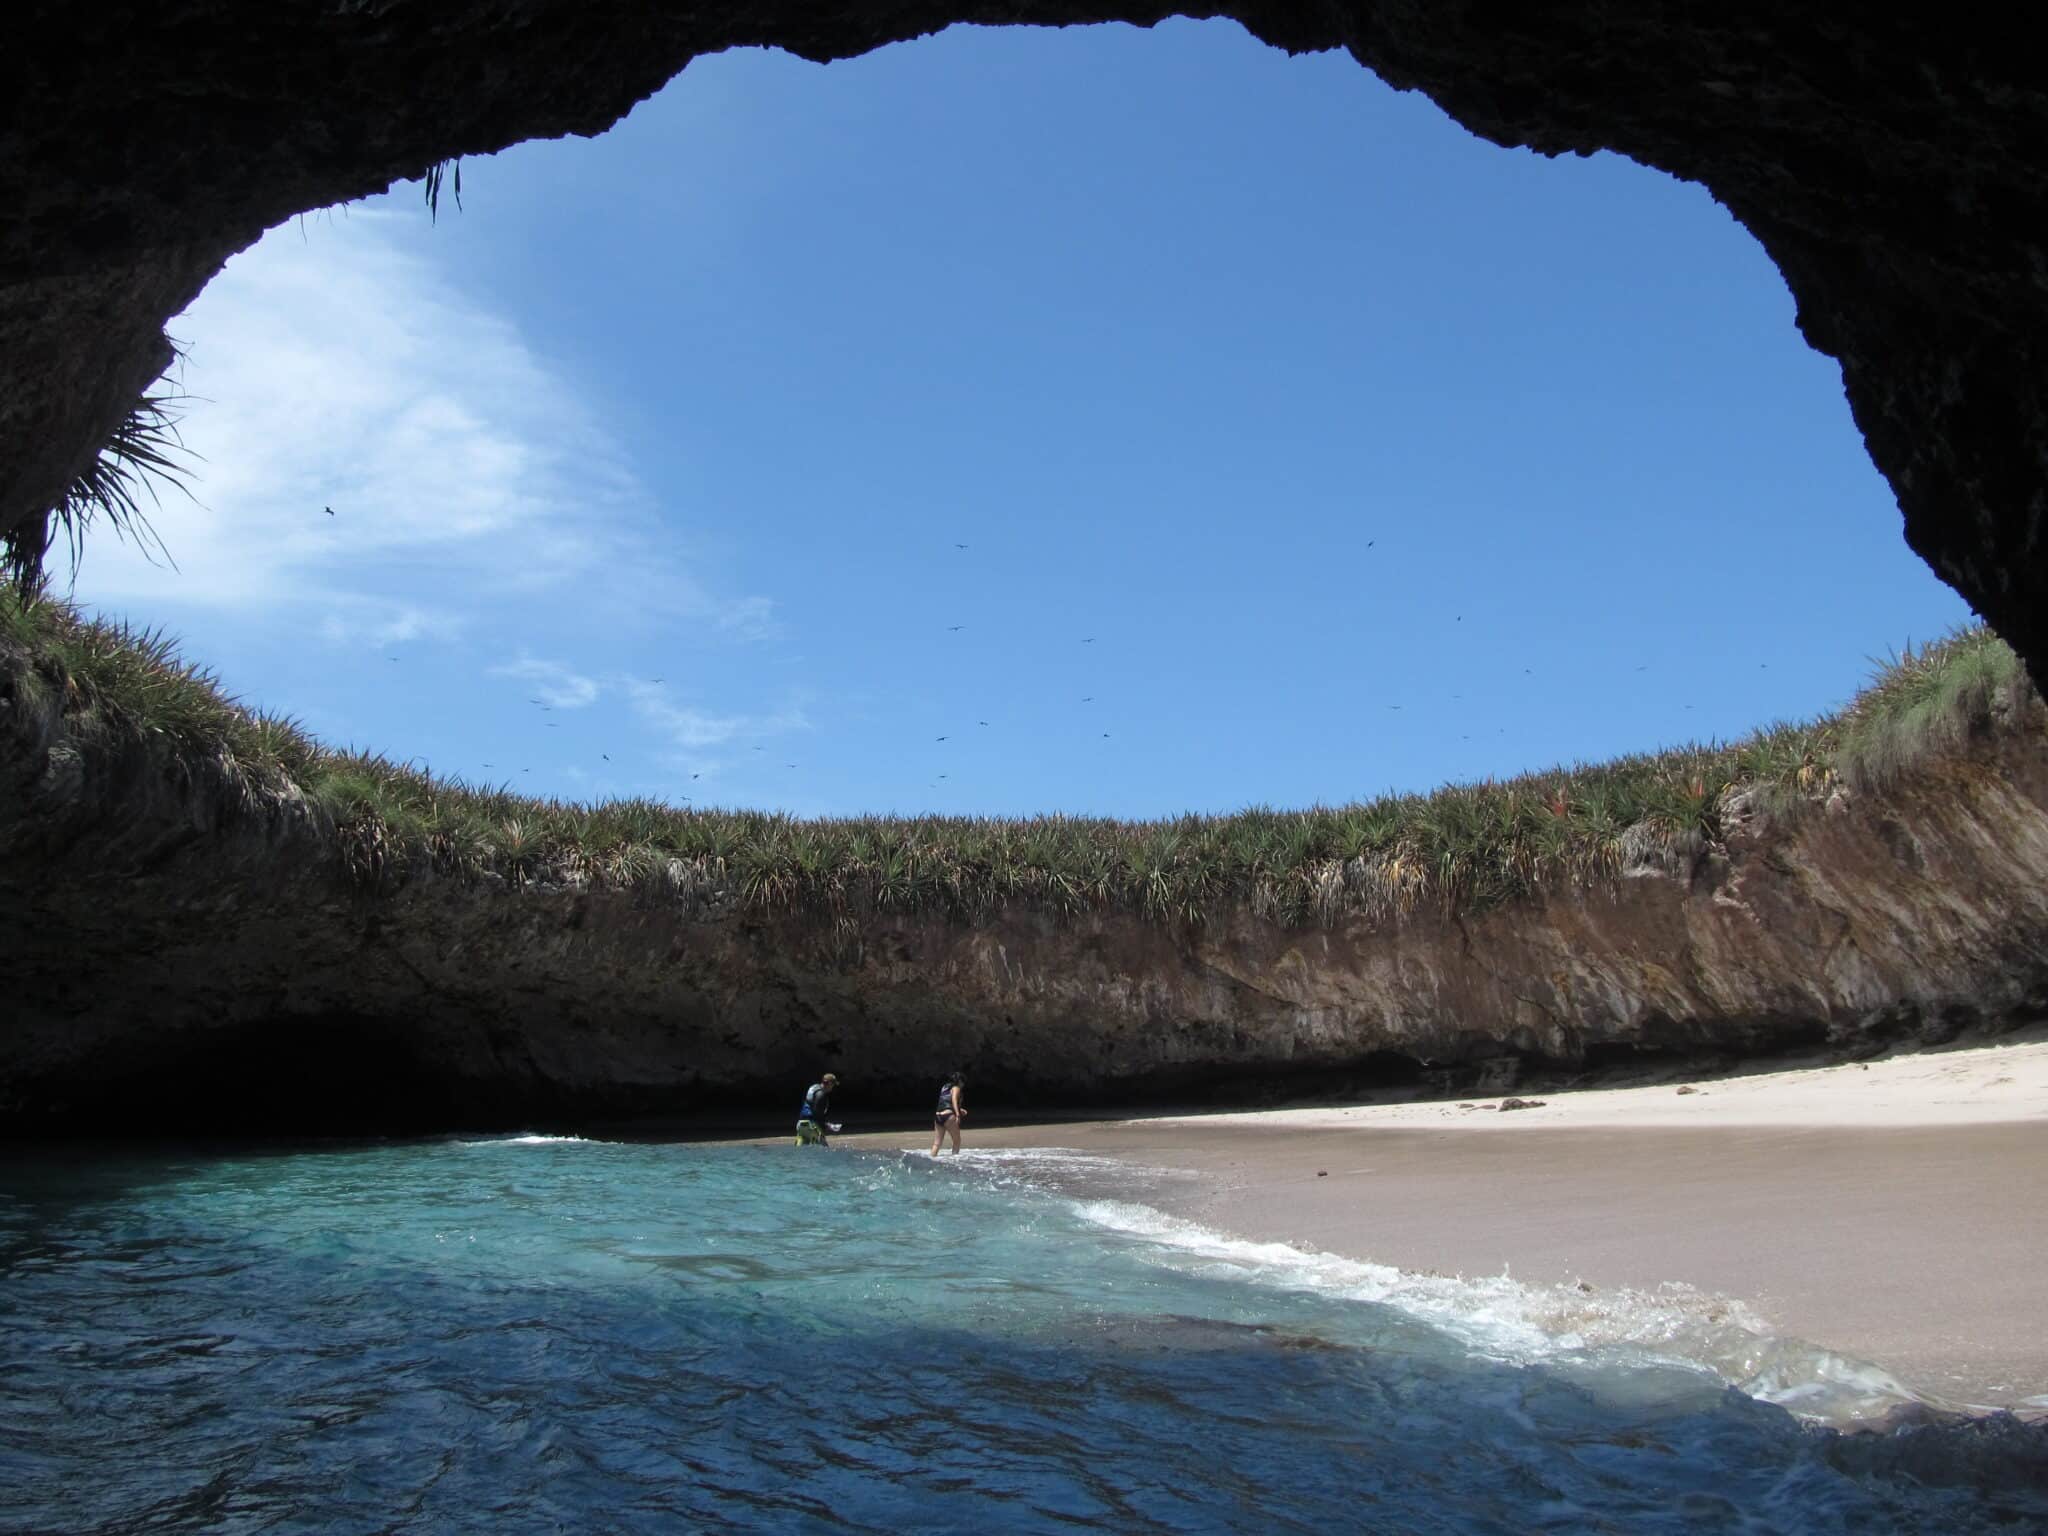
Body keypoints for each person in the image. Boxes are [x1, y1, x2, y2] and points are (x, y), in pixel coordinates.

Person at [795, 1072, 839, 1147]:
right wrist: (827, 1125)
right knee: (824, 1150)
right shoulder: (821, 1095)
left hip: (801, 1124)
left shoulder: (814, 1088)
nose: (832, 1088)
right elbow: (816, 1114)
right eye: (833, 1085)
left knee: (800, 1151)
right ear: (829, 1084)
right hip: (811, 1126)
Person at [930, 1072, 966, 1155]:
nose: (963, 1084)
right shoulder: (956, 1088)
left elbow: (945, 1102)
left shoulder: (944, 1087)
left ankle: (931, 1160)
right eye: (963, 1082)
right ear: (960, 1081)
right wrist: (958, 1114)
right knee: (957, 1141)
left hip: (938, 1115)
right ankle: (954, 1162)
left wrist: (960, 1110)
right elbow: (954, 1100)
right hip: (948, 1116)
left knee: (937, 1143)